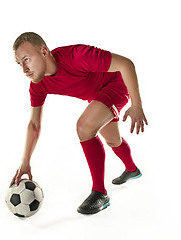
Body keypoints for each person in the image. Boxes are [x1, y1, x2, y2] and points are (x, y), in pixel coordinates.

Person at [10, 32, 148, 215]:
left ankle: (100, 192)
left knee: (84, 127)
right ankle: (132, 169)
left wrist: (136, 104)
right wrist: (25, 162)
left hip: (117, 84)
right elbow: (34, 124)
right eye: (19, 63)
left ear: (44, 51)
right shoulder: (38, 84)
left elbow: (126, 64)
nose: (24, 69)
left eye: (27, 59)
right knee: (113, 140)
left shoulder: (77, 56)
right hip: (98, 96)